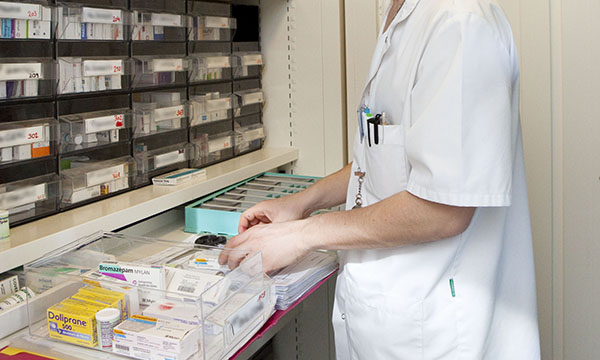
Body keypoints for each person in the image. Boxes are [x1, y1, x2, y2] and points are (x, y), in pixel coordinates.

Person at [219, 0, 541, 358]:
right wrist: (300, 204)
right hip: (389, 320)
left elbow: (445, 211)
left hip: (440, 331)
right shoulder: (401, 12)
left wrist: (303, 234)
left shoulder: (459, 21)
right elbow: (384, 155)